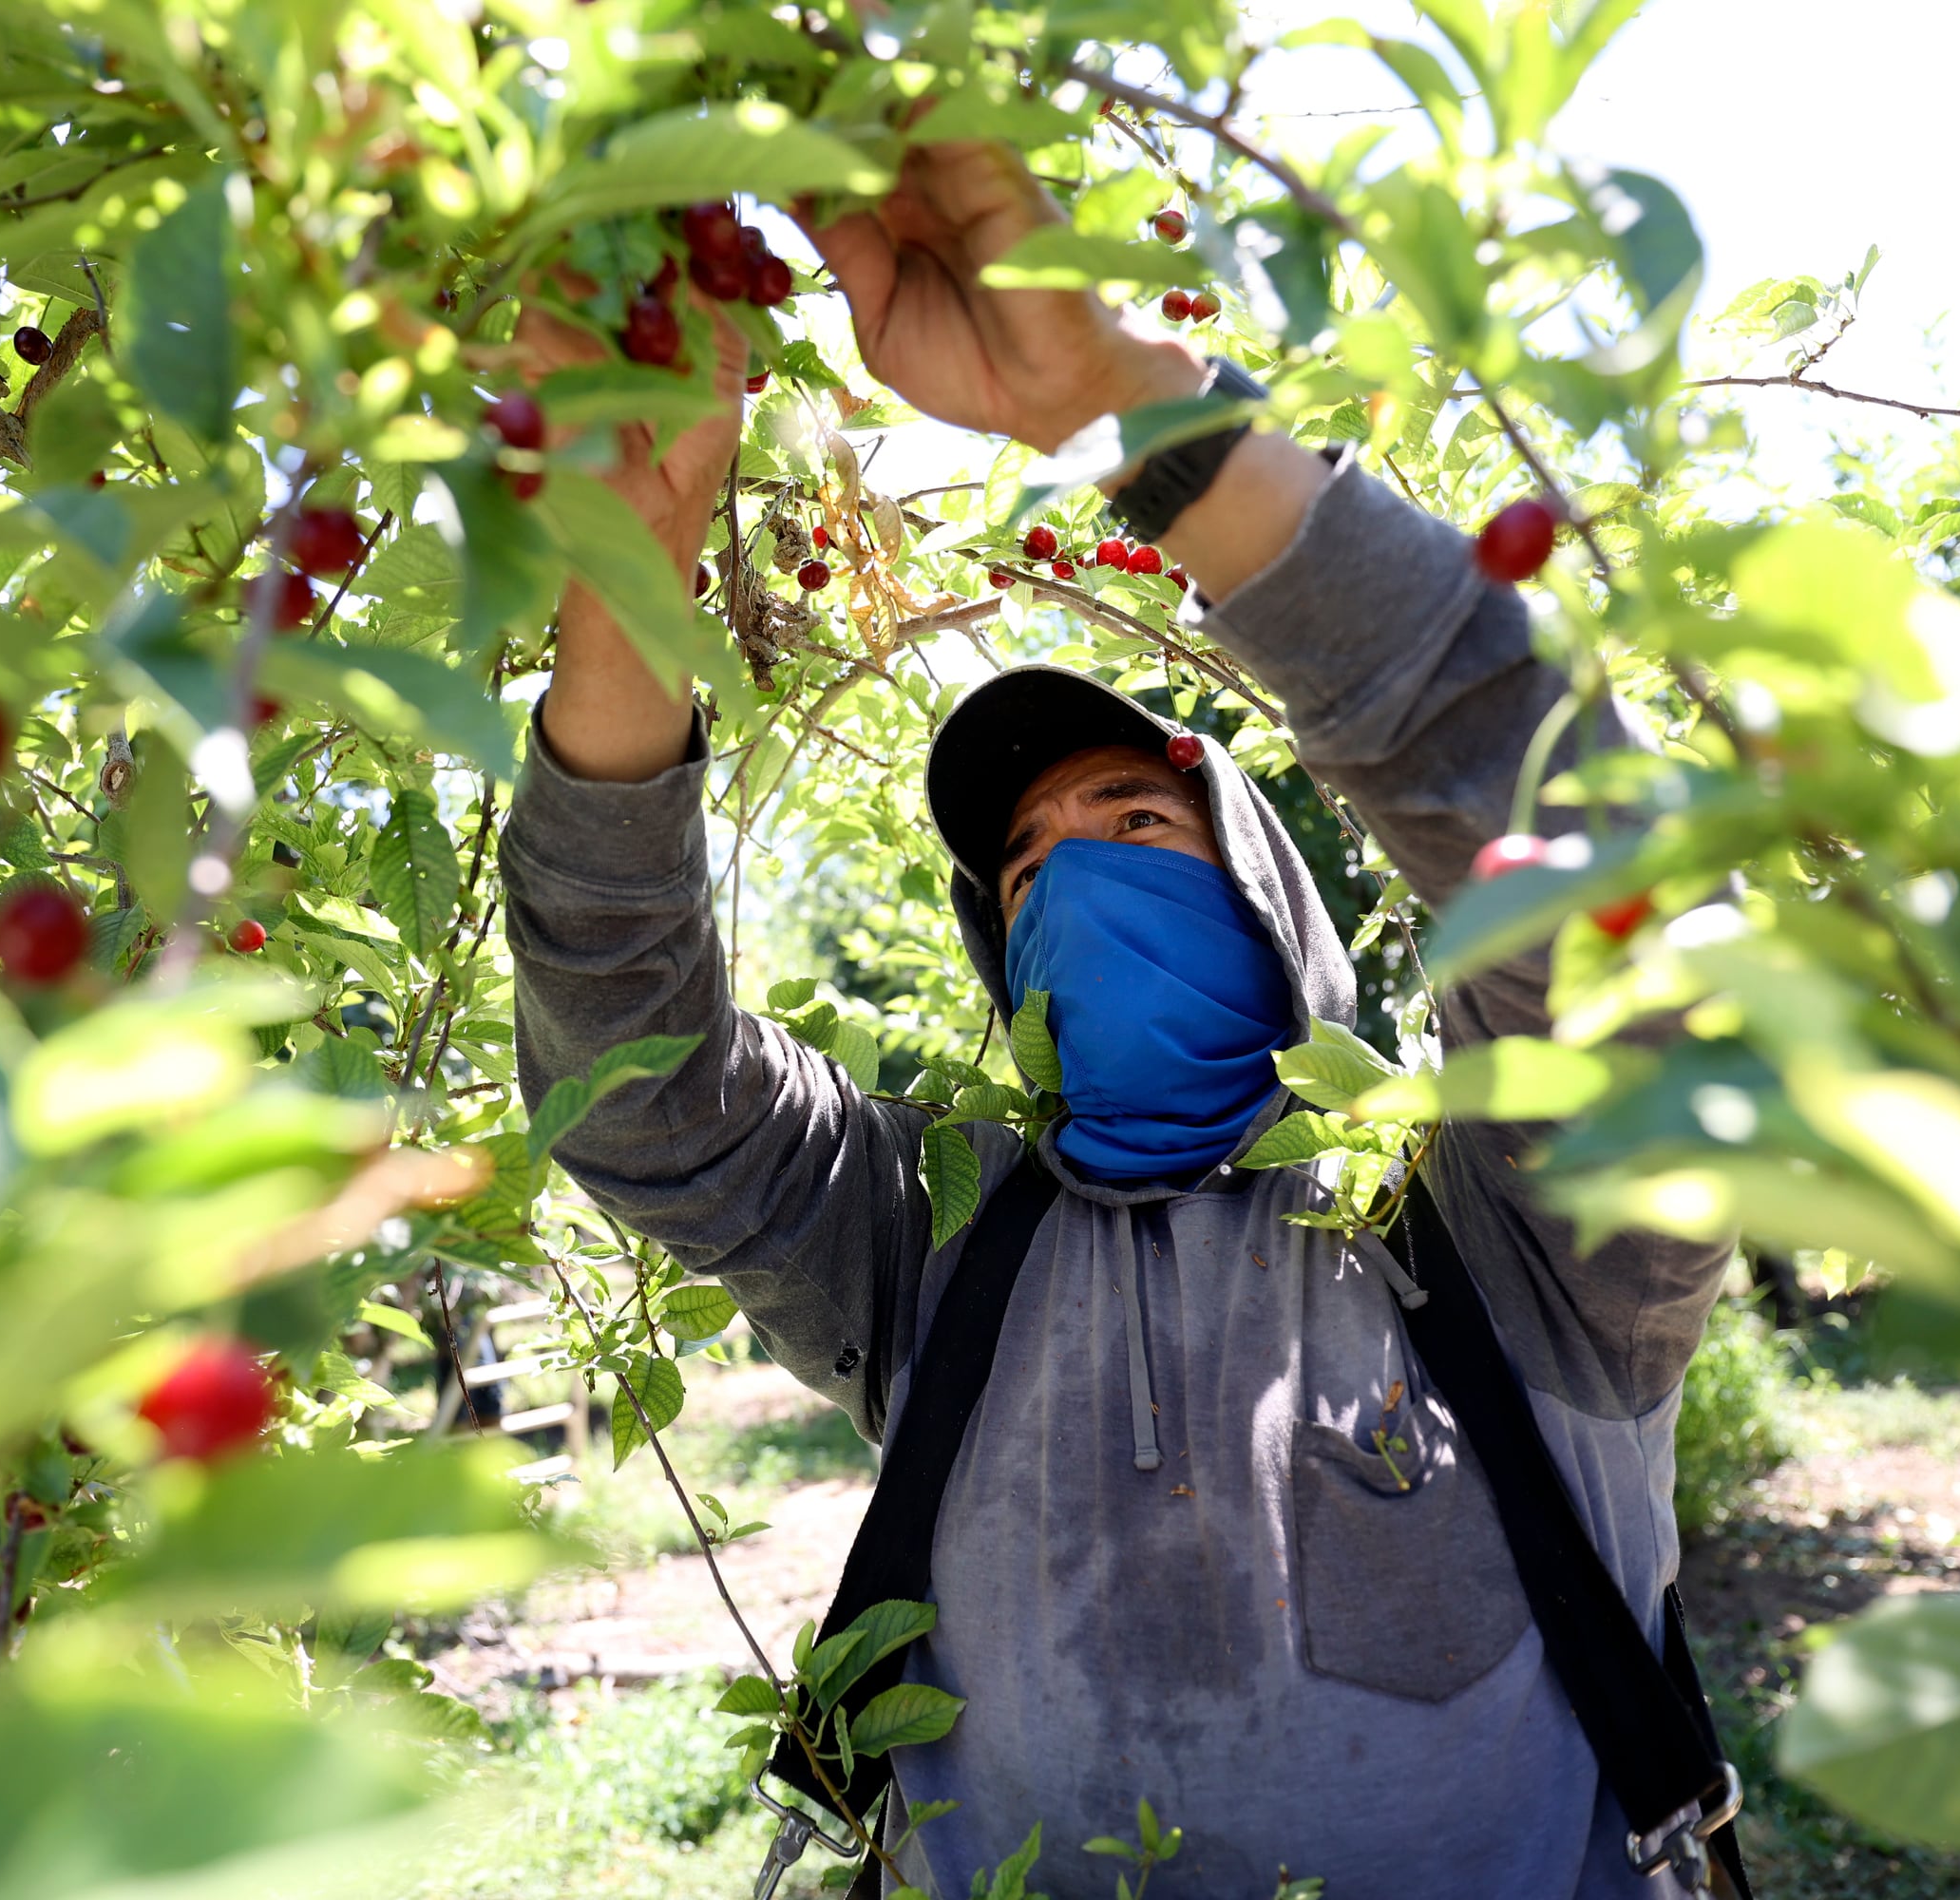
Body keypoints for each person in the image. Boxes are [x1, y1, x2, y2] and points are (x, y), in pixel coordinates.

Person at [503, 141, 1729, 1899]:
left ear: (1264, 886)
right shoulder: (934, 1239)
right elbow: (637, 1091)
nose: (1068, 875)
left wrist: (1125, 411)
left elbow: (1596, 901)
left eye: (1136, 827)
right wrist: (633, 574)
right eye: (1023, 865)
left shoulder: (1505, 1231)